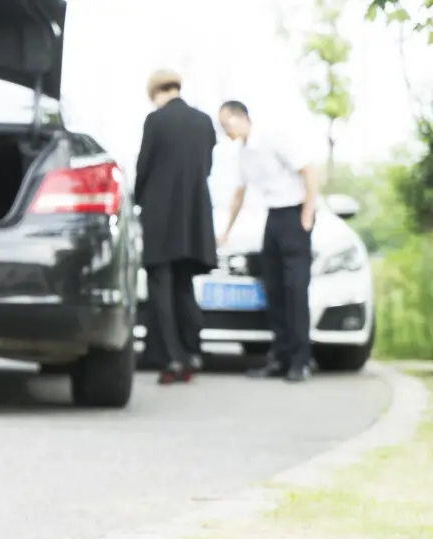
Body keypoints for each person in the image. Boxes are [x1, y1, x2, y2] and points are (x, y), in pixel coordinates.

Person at [217, 101, 320, 383]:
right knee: (274, 288)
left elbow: (309, 170)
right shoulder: (244, 153)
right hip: (273, 217)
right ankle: (282, 357)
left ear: (241, 118)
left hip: (294, 214)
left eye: (225, 124)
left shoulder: (273, 139)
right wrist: (227, 230)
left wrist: (308, 214)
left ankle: (301, 361)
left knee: (295, 290)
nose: (224, 131)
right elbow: (239, 193)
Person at [134, 69, 218, 385]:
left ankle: (171, 358)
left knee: (160, 286)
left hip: (160, 215)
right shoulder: (204, 122)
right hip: (194, 216)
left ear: (155, 92)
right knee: (184, 286)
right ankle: (193, 351)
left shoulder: (155, 121)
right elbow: (206, 167)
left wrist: (137, 200)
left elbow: (144, 167)